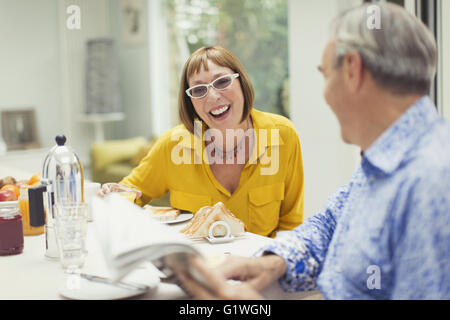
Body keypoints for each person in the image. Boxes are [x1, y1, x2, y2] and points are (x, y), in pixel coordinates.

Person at [178, 3, 450, 299]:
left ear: (352, 70)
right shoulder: (386, 160)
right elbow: (330, 225)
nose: (324, 93)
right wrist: (275, 262)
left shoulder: (431, 183)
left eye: (324, 75)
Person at [99, 45, 305, 237]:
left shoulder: (282, 135)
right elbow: (129, 195)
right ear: (190, 102)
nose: (213, 96)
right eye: (199, 90)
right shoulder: (173, 144)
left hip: (260, 267)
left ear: (242, 81)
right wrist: (112, 195)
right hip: (197, 269)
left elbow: (292, 223)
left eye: (222, 81)